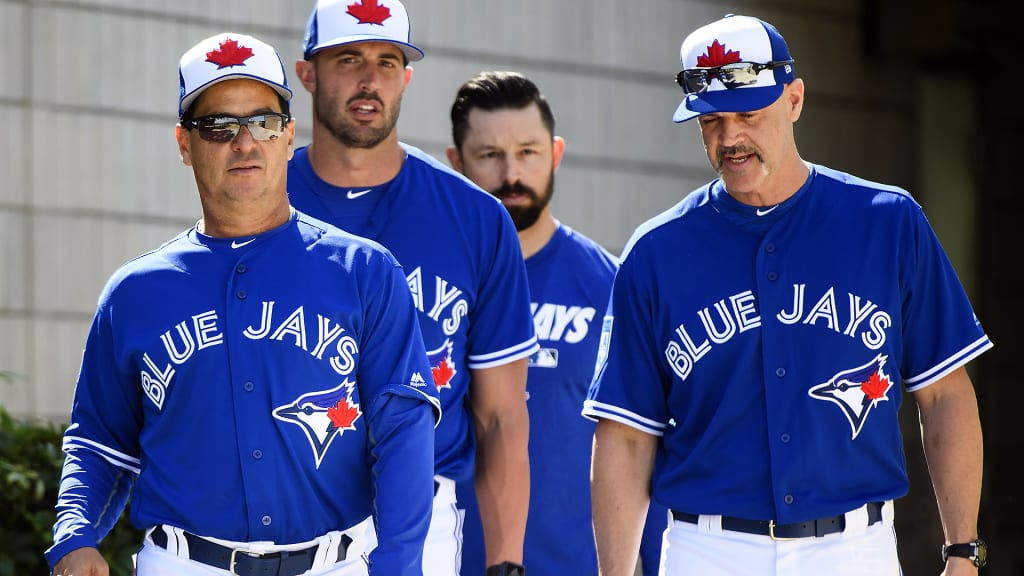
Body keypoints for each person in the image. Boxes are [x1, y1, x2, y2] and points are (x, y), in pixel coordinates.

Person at [583, 13, 992, 576]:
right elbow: (626, 437)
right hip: (708, 552)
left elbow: (944, 395)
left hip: (854, 551)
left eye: (749, 114)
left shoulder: (888, 223)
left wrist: (962, 551)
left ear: (794, 100)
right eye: (711, 120)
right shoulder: (655, 251)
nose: (730, 138)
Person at [45, 32, 440, 576]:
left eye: (263, 122)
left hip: (337, 563)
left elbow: (403, 431)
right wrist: (75, 536)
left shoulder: (365, 272)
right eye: (218, 127)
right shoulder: (135, 293)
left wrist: (400, 565)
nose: (245, 142)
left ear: (288, 136)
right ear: (185, 144)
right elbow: (99, 442)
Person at [287, 2, 538, 575]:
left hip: (422, 513)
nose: (369, 79)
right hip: (283, 511)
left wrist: (505, 563)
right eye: (348, 59)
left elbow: (500, 415)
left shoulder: (474, 217)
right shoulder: (261, 199)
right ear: (308, 74)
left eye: (387, 61)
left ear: (406, 77)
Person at [445, 70, 668, 576]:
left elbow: (644, 441)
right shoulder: (429, 287)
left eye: (528, 152)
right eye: (489, 155)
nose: (512, 173)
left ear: (556, 154)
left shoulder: (612, 284)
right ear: (456, 164)